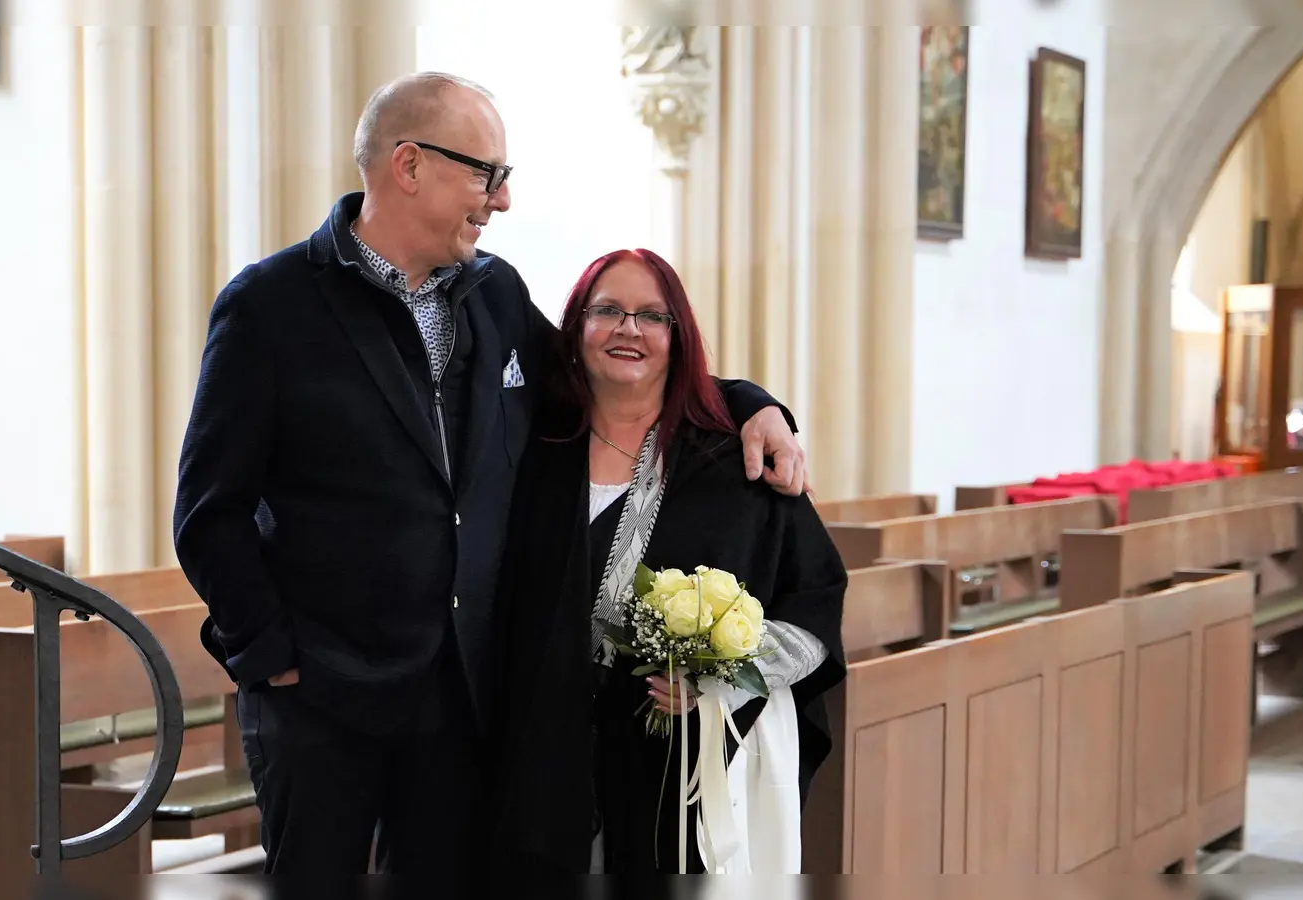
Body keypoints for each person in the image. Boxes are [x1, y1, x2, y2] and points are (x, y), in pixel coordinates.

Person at [171, 71, 809, 876]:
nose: (500, 200)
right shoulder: (270, 307)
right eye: (486, 174)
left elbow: (598, 376)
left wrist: (751, 402)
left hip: (464, 696)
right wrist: (271, 655)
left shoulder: (493, 293)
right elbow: (208, 510)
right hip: (322, 702)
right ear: (408, 165)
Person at [491, 248, 847, 874]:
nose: (629, 329)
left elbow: (815, 597)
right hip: (539, 755)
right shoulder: (533, 451)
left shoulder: (735, 462)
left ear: (678, 338)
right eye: (607, 310)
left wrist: (721, 676)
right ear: (574, 329)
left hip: (681, 772)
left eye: (652, 316)